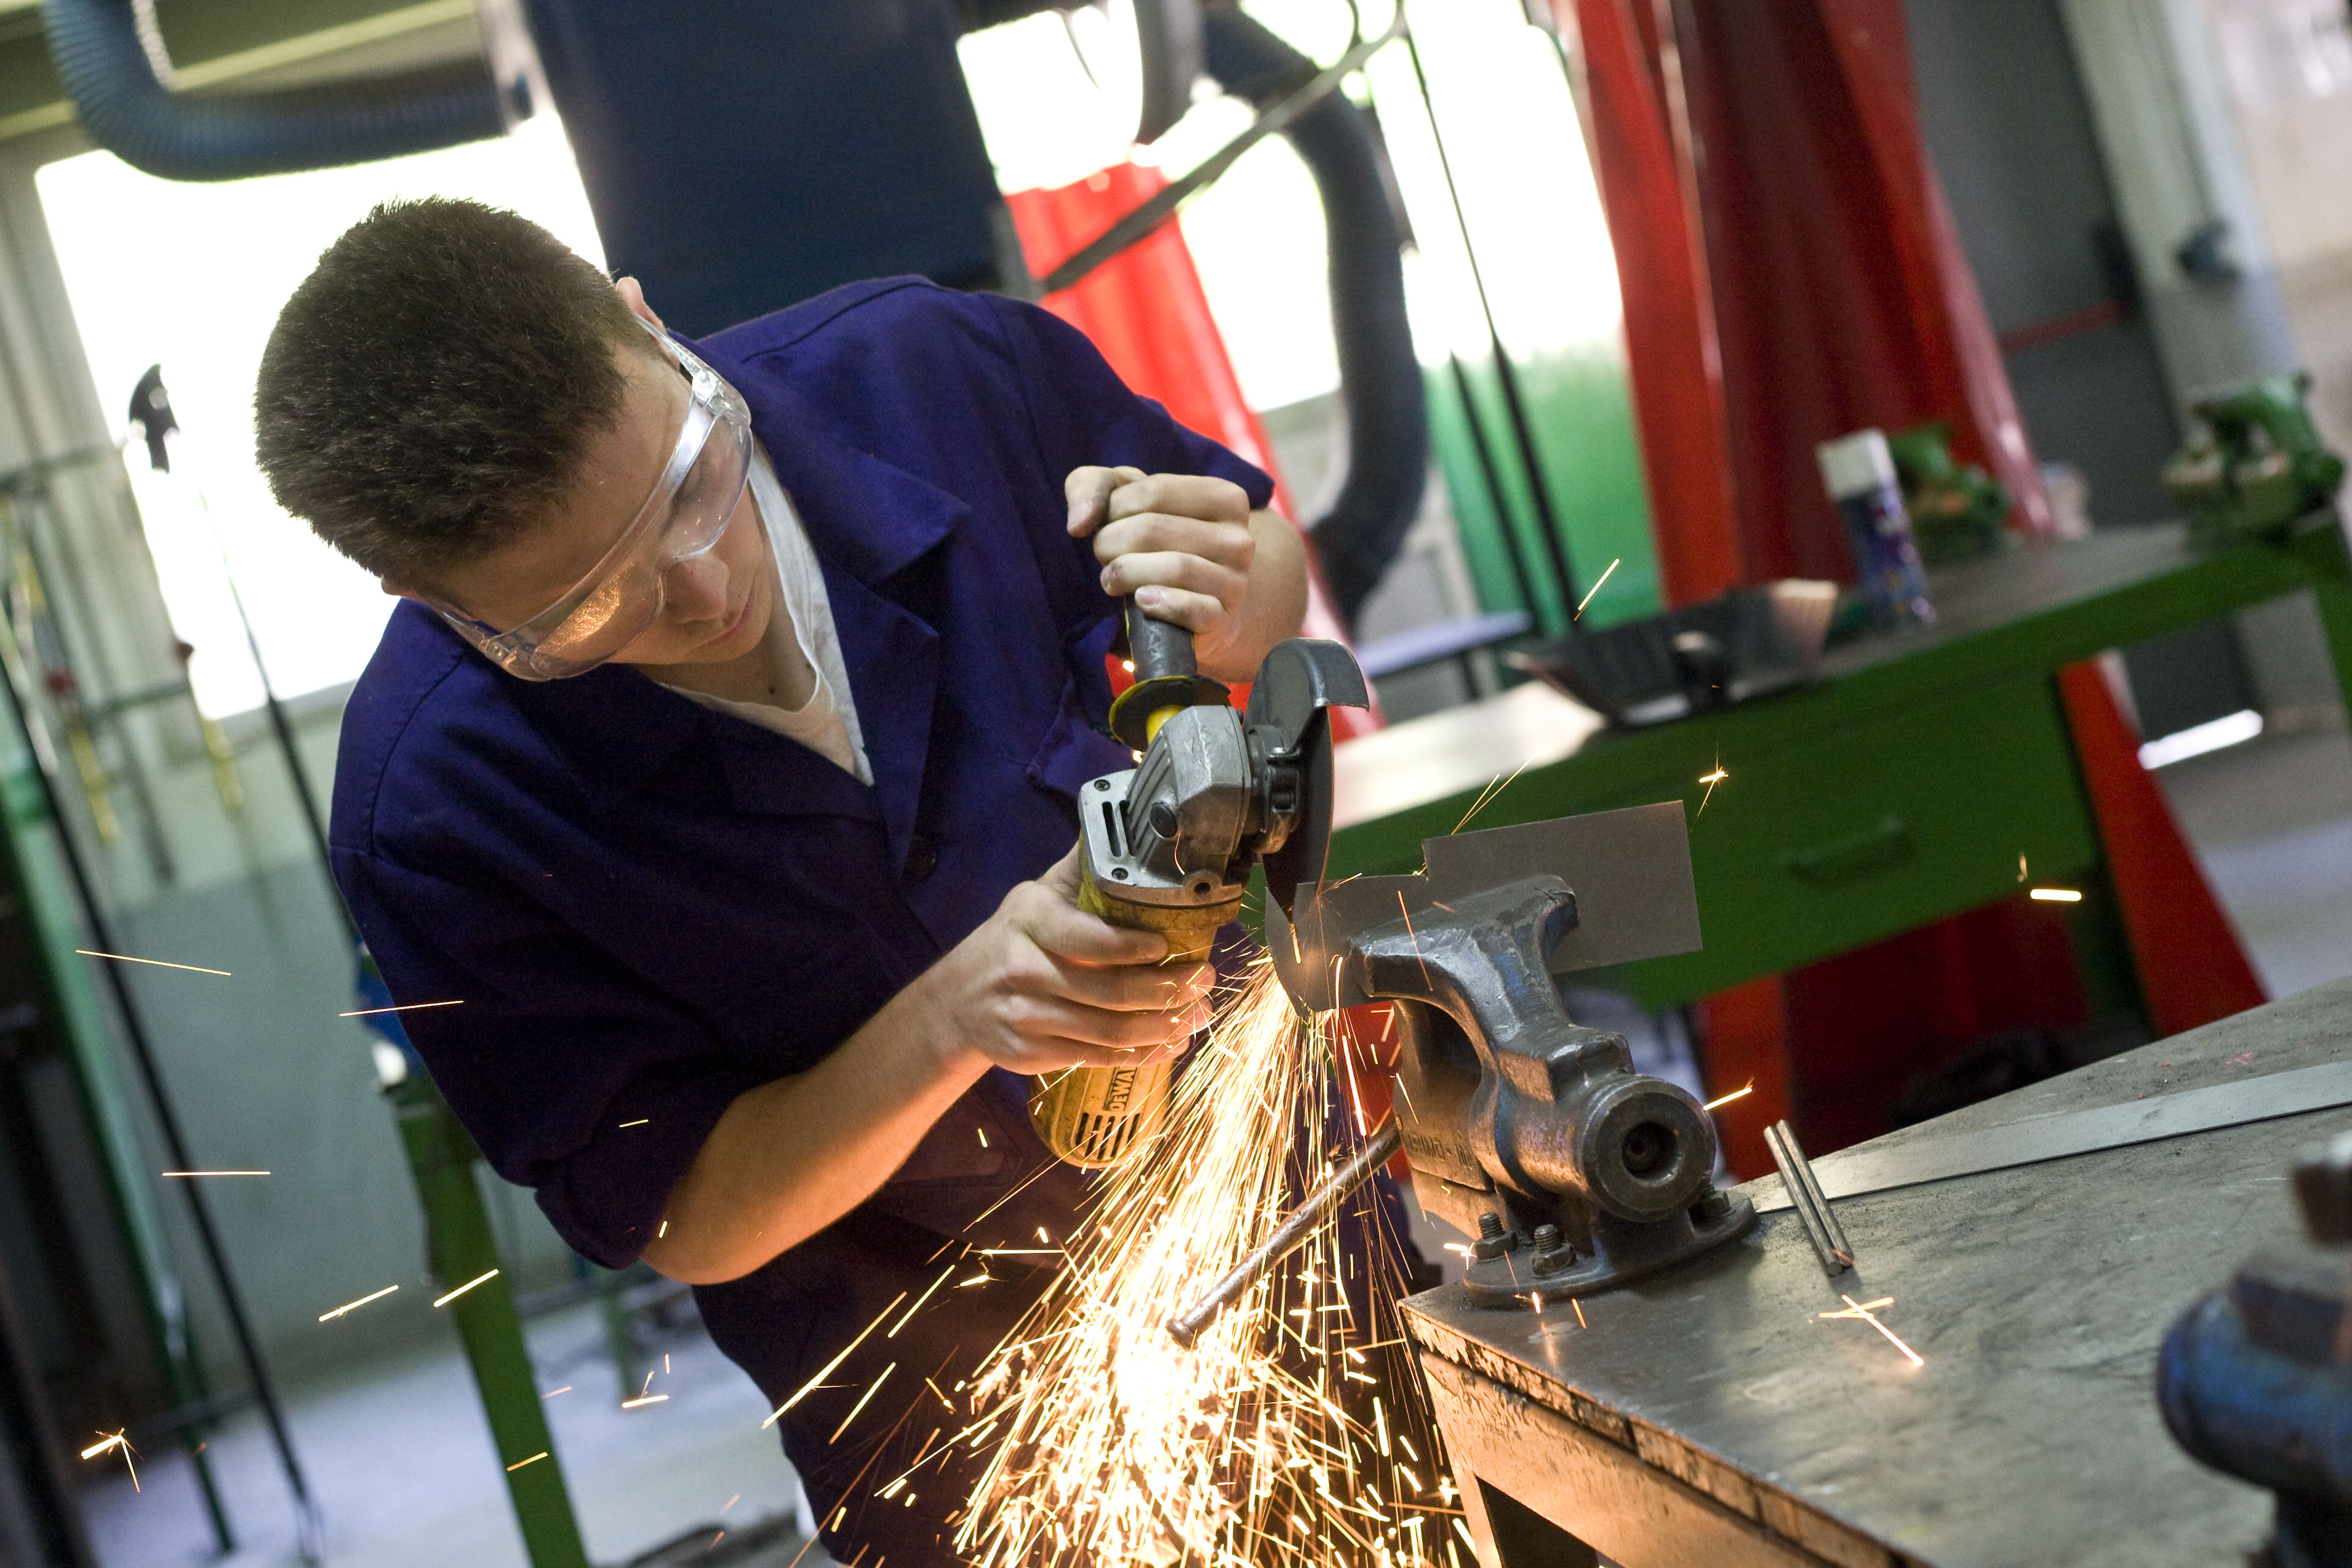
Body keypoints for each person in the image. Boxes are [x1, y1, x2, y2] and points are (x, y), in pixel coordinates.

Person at [254, 197, 1311, 1563]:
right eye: (585, 612)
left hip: (1279, 1211)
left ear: (647, 327)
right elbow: (690, 1212)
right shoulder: (438, 815)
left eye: (692, 485)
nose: (700, 593)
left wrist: (1243, 596)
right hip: (945, 1394)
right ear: (430, 599)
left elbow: (1265, 578)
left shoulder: (932, 371)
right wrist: (949, 1022)